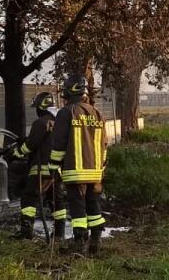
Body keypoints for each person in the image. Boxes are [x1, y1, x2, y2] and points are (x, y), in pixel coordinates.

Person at [49, 74, 109, 255]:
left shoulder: (66, 112)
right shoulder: (97, 113)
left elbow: (58, 143)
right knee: (94, 206)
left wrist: (53, 167)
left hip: (75, 171)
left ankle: (78, 244)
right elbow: (104, 144)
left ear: (69, 91)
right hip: (96, 171)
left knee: (78, 208)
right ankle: (95, 243)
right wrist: (101, 168)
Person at [13, 91, 67, 240]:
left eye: (37, 107)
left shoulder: (41, 122)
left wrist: (17, 153)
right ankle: (60, 233)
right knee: (57, 200)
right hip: (58, 170)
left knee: (29, 197)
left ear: (42, 107)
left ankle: (26, 233)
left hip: (41, 170)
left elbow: (31, 145)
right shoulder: (61, 122)